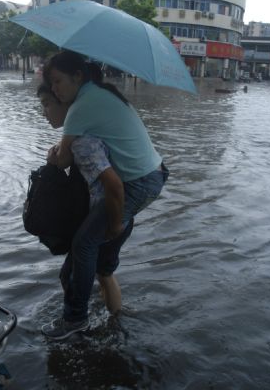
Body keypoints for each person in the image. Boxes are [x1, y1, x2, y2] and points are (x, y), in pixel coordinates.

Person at [40, 51, 169, 340]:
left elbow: (64, 161)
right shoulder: (99, 93)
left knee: (84, 245)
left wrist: (114, 222)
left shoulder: (81, 107)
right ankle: (110, 315)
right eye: (52, 83)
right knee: (101, 264)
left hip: (137, 183)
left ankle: (75, 320)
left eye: (58, 81)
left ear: (78, 77)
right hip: (152, 173)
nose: (56, 89)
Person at [37, 82, 133, 317]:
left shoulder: (82, 142)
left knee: (69, 275)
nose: (44, 112)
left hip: (108, 217)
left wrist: (113, 224)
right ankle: (114, 322)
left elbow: (112, 184)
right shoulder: (88, 132)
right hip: (120, 215)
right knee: (105, 272)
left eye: (47, 104)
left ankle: (77, 323)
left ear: (67, 104)